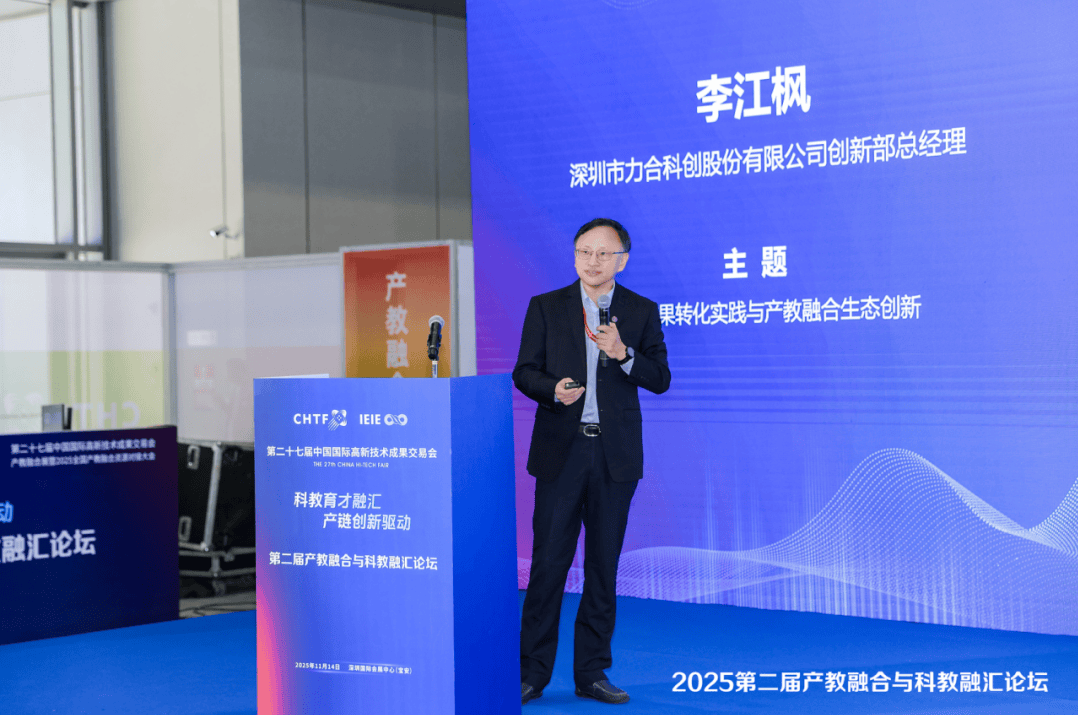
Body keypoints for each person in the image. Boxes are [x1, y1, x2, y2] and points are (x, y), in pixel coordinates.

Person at [513, 218, 671, 705]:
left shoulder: (640, 311)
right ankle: (532, 673)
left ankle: (592, 672)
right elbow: (524, 371)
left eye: (603, 253)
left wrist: (624, 354)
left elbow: (660, 377)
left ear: (622, 259)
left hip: (613, 457)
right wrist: (552, 390)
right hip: (562, 452)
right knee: (548, 566)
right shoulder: (547, 306)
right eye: (584, 251)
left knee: (603, 566)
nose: (592, 261)